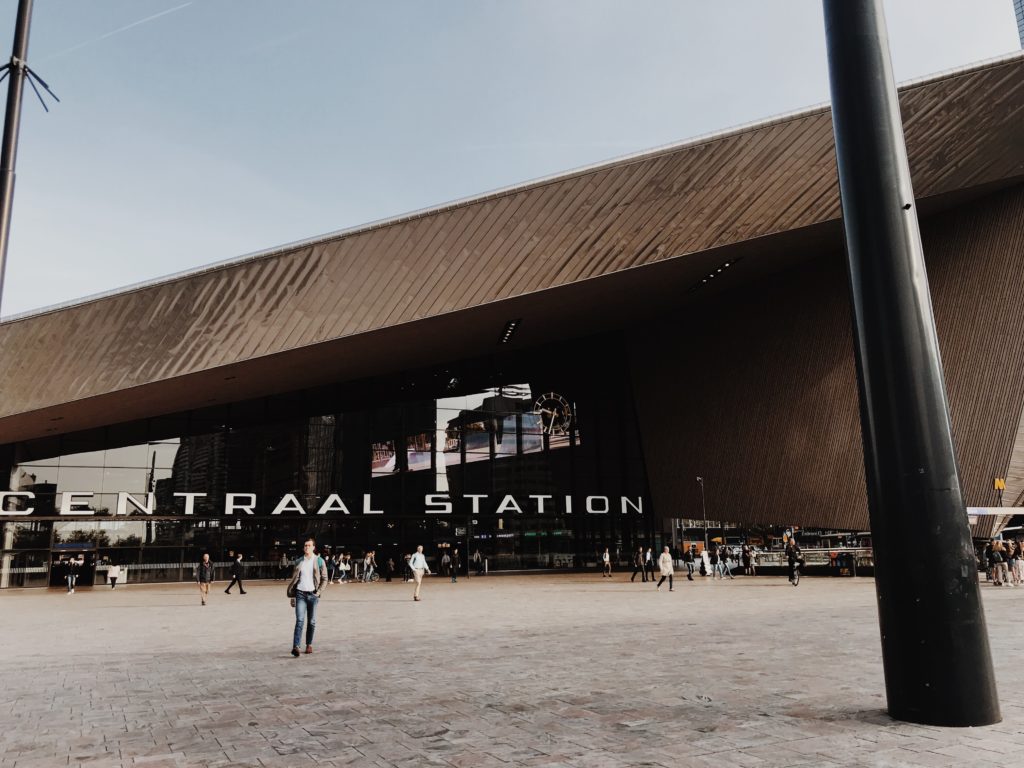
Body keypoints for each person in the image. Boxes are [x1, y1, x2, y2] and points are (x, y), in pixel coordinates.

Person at [287, 538, 328, 656]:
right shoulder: (299, 561)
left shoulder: (319, 561)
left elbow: (325, 579)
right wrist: (293, 596)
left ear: (314, 547)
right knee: (299, 620)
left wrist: (318, 592)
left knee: (312, 622)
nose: (306, 547)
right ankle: (296, 647)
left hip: (313, 595)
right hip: (300, 594)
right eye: (305, 545)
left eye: (309, 546)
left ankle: (309, 644)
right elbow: (294, 580)